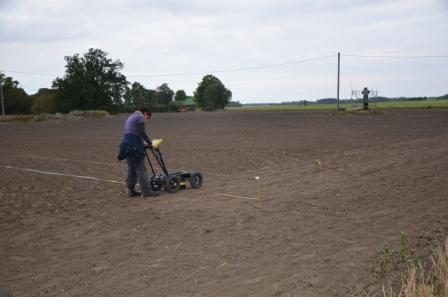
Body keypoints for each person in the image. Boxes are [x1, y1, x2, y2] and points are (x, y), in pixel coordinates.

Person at [118, 107, 159, 198]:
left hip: (127, 145)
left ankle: (130, 191)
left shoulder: (131, 117)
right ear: (145, 113)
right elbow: (141, 132)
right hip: (134, 146)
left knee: (132, 168)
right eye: (147, 117)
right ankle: (147, 192)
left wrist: (142, 143)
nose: (146, 120)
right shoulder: (140, 117)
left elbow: (133, 133)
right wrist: (150, 143)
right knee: (141, 169)